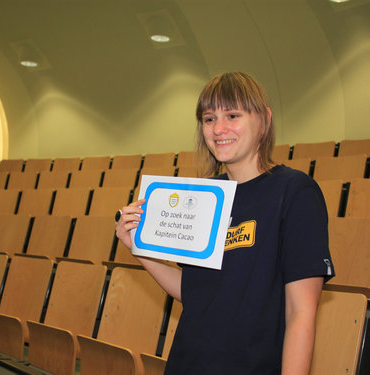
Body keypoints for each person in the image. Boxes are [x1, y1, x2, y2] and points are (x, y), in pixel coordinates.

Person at [115, 72, 334, 375]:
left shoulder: (295, 192)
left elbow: (301, 313)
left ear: (265, 120)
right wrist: (139, 250)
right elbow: (192, 291)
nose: (219, 129)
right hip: (187, 364)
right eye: (209, 118)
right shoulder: (205, 195)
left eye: (232, 115)